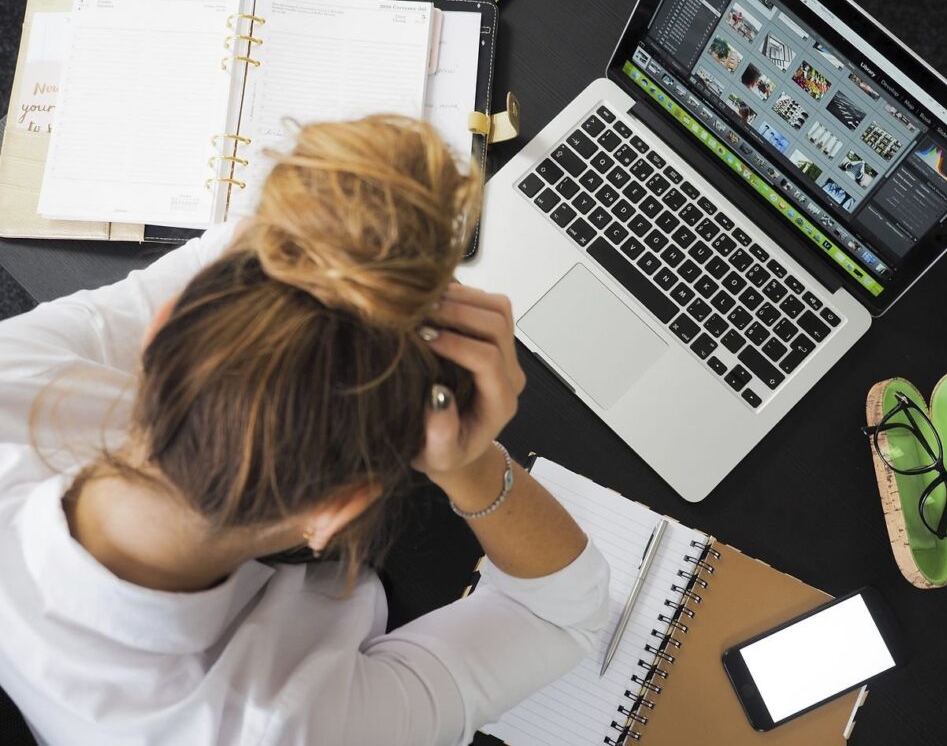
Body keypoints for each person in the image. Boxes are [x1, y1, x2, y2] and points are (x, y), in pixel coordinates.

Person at [0, 116, 610, 745]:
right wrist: (472, 462)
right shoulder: (290, 729)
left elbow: (237, 250)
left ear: (156, 335)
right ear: (334, 513)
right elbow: (560, 614)